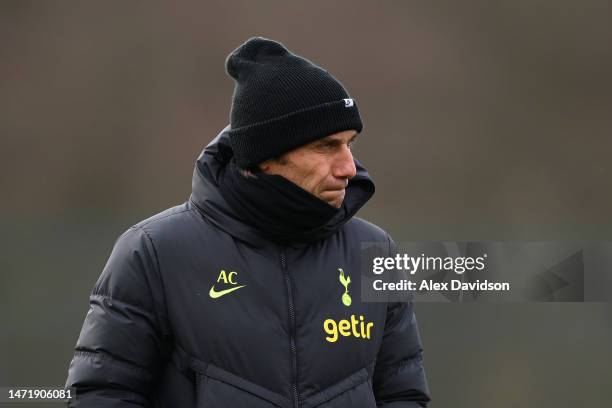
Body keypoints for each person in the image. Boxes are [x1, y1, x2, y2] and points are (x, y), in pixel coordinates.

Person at [65, 37, 430, 408]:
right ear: (265, 157)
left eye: (350, 144)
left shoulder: (376, 251)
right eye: (326, 146)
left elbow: (403, 395)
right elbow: (100, 394)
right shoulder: (153, 252)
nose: (348, 167)